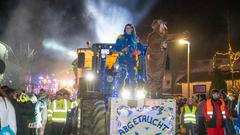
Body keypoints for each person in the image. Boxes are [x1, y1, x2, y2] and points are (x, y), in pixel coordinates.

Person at [146, 19, 189, 98]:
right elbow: (152, 45)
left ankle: (158, 94)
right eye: (162, 25)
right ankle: (152, 94)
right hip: (153, 60)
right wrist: (161, 46)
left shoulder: (164, 36)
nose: (164, 27)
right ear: (157, 27)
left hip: (161, 61)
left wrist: (182, 35)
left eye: (164, 25)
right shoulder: (152, 35)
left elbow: (172, 37)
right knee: (153, 77)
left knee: (160, 77)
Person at [113, 24, 145, 94]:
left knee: (133, 77)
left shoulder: (135, 38)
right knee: (121, 77)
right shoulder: (120, 37)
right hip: (122, 60)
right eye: (127, 28)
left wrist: (138, 51)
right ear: (125, 29)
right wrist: (122, 49)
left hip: (132, 61)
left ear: (132, 29)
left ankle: (133, 93)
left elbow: (141, 49)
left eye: (129, 28)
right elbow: (115, 48)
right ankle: (118, 93)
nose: (128, 29)